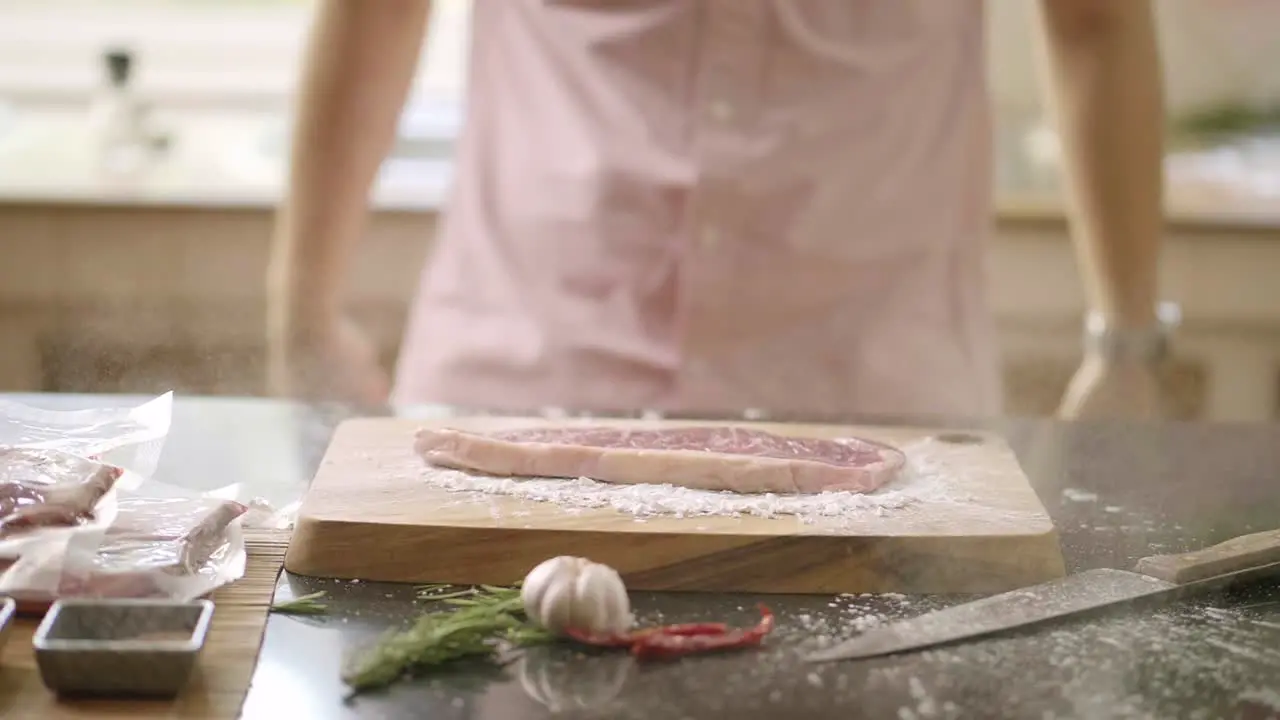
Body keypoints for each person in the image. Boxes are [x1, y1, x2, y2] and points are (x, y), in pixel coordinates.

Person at [266, 1, 1167, 421]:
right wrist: (303, 309)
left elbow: (1096, 21)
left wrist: (1127, 340)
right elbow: (375, 11)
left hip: (877, 402)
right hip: (518, 389)